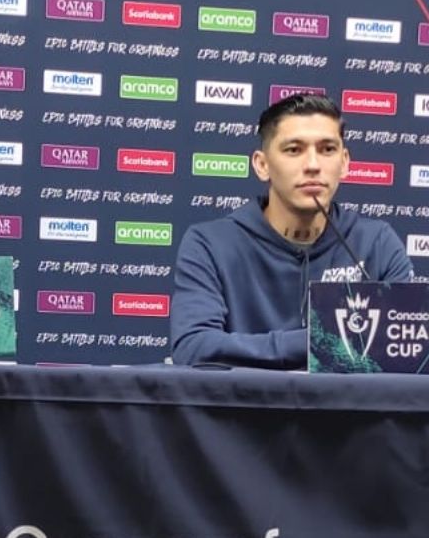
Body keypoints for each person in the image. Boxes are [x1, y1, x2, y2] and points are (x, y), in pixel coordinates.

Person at [170, 94, 413, 369]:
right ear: (262, 165)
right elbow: (193, 346)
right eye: (294, 150)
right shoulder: (209, 244)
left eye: (327, 149)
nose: (312, 165)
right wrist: (319, 343)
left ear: (344, 162)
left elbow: (406, 346)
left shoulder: (377, 242)